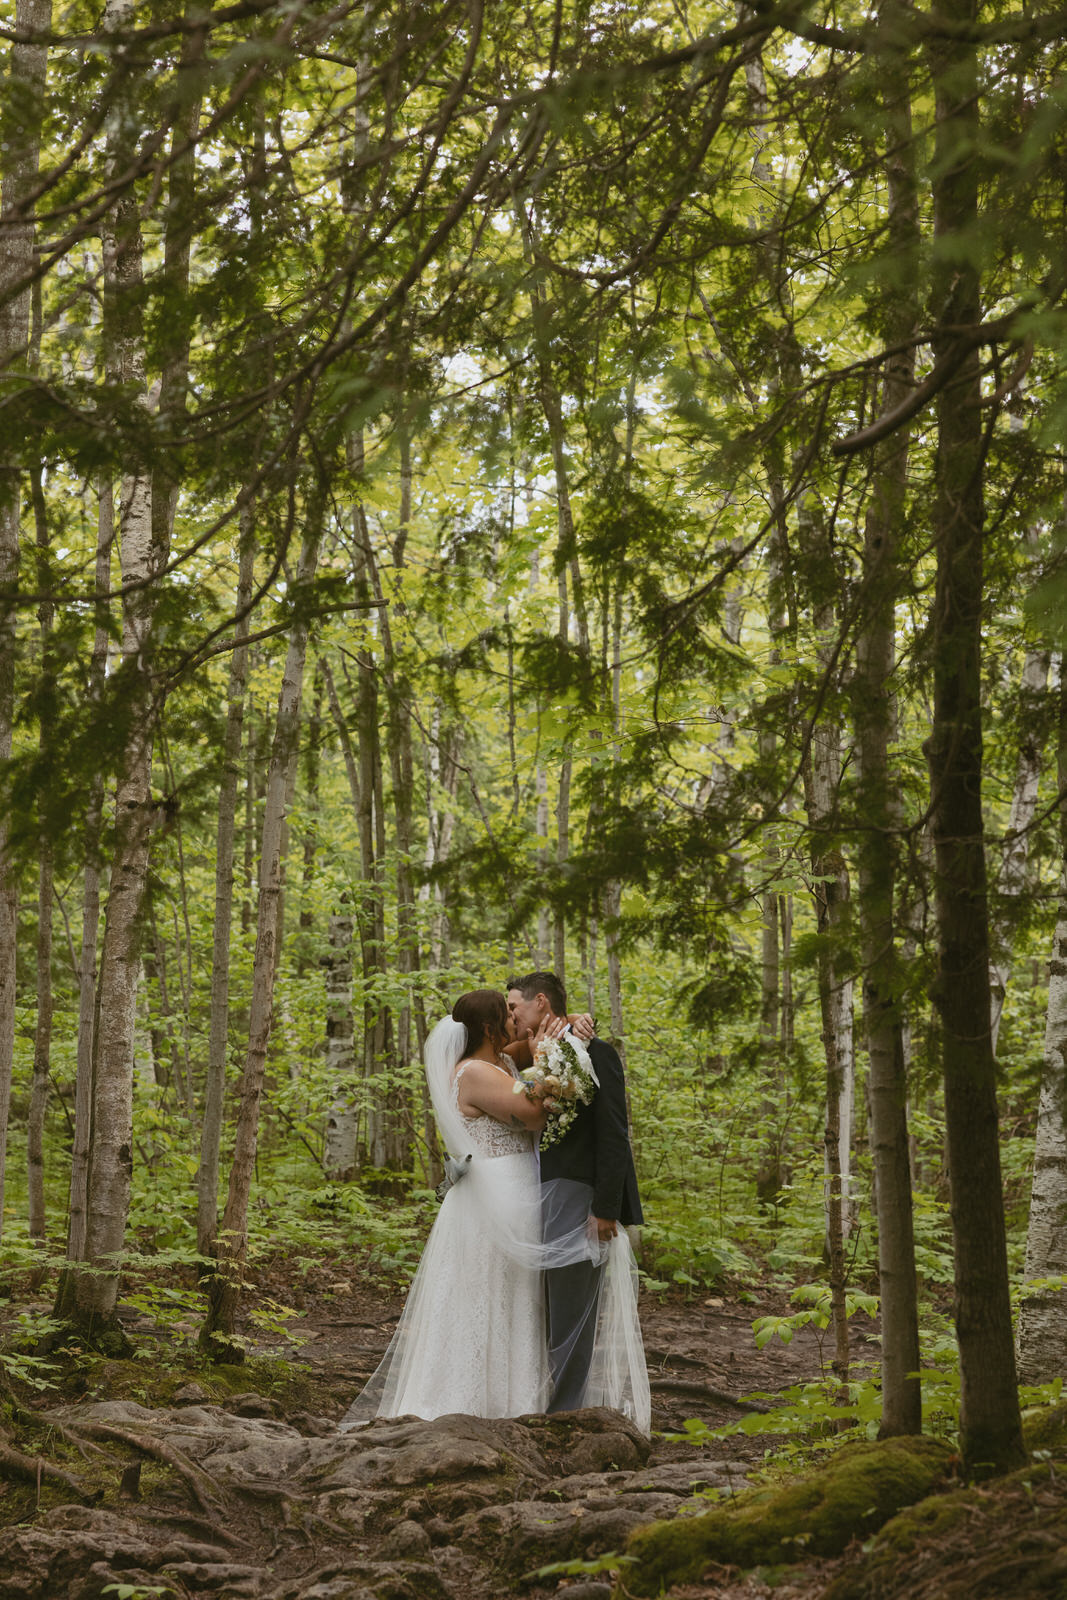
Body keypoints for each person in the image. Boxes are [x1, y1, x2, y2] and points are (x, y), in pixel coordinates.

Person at [338, 988, 603, 1427]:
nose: (518, 1023)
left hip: (517, 1193)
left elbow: (537, 1035)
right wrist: (540, 1056)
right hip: (492, 1199)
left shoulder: (500, 1060)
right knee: (487, 1294)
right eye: (509, 1017)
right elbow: (533, 1114)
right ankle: (466, 1404)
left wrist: (570, 1020)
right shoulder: (475, 1072)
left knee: (516, 1300)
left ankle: (518, 1400)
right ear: (487, 1027)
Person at [507, 971, 645, 1418]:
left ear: (541, 1002)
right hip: (534, 1195)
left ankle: (566, 1412)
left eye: (516, 1006)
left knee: (571, 1308)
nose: (511, 1014)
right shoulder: (525, 1052)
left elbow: (613, 1133)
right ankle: (541, 1399)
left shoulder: (596, 1053)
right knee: (540, 1307)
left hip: (577, 1196)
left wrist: (606, 1207)